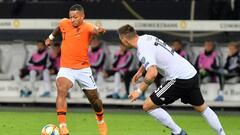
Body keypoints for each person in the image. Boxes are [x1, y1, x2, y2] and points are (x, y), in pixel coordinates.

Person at [117, 24, 225, 135]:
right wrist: (141, 71)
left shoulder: (143, 48)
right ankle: (222, 134)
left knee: (148, 106)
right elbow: (152, 56)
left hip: (179, 79)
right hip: (190, 73)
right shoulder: (146, 38)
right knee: (202, 108)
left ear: (124, 39)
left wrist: (139, 91)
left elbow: (153, 73)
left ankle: (178, 132)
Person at [45, 4, 107, 135]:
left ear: (82, 17)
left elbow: (95, 30)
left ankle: (100, 119)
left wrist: (99, 30)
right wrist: (50, 38)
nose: (72, 20)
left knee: (95, 101)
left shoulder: (88, 26)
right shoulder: (64, 23)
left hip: (83, 69)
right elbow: (58, 28)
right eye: (71, 17)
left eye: (75, 17)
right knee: (61, 89)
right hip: (66, 68)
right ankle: (63, 126)